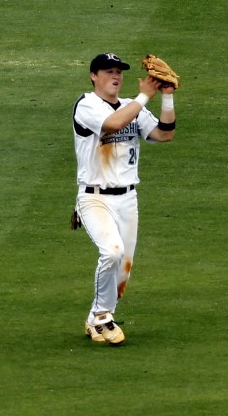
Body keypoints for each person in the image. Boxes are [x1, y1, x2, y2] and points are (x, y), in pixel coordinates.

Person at [71, 53, 177, 345]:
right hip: (94, 198)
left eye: (118, 71)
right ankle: (103, 317)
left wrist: (167, 97)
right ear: (93, 76)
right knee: (112, 252)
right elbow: (114, 124)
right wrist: (145, 96)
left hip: (128, 198)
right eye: (108, 71)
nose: (115, 76)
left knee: (122, 270)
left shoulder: (133, 107)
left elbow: (164, 134)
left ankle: (95, 319)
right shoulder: (87, 105)